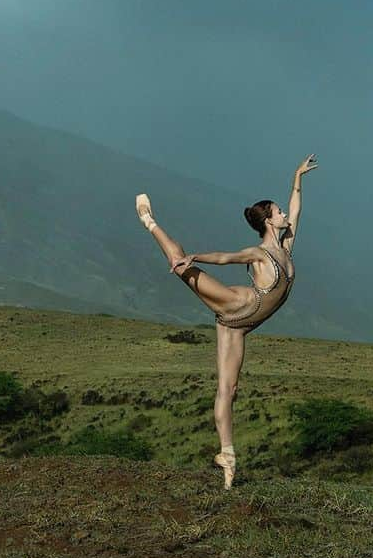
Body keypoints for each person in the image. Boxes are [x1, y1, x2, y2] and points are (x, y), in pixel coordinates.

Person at [135, 153, 318, 489]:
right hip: (235, 305)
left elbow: (297, 207)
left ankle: (227, 457)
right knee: (181, 262)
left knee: (229, 389)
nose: (285, 216)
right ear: (269, 222)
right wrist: (197, 257)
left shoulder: (286, 248)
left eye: (282, 212)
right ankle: (149, 220)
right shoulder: (258, 253)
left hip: (238, 326)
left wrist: (297, 178)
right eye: (278, 213)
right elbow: (225, 257)